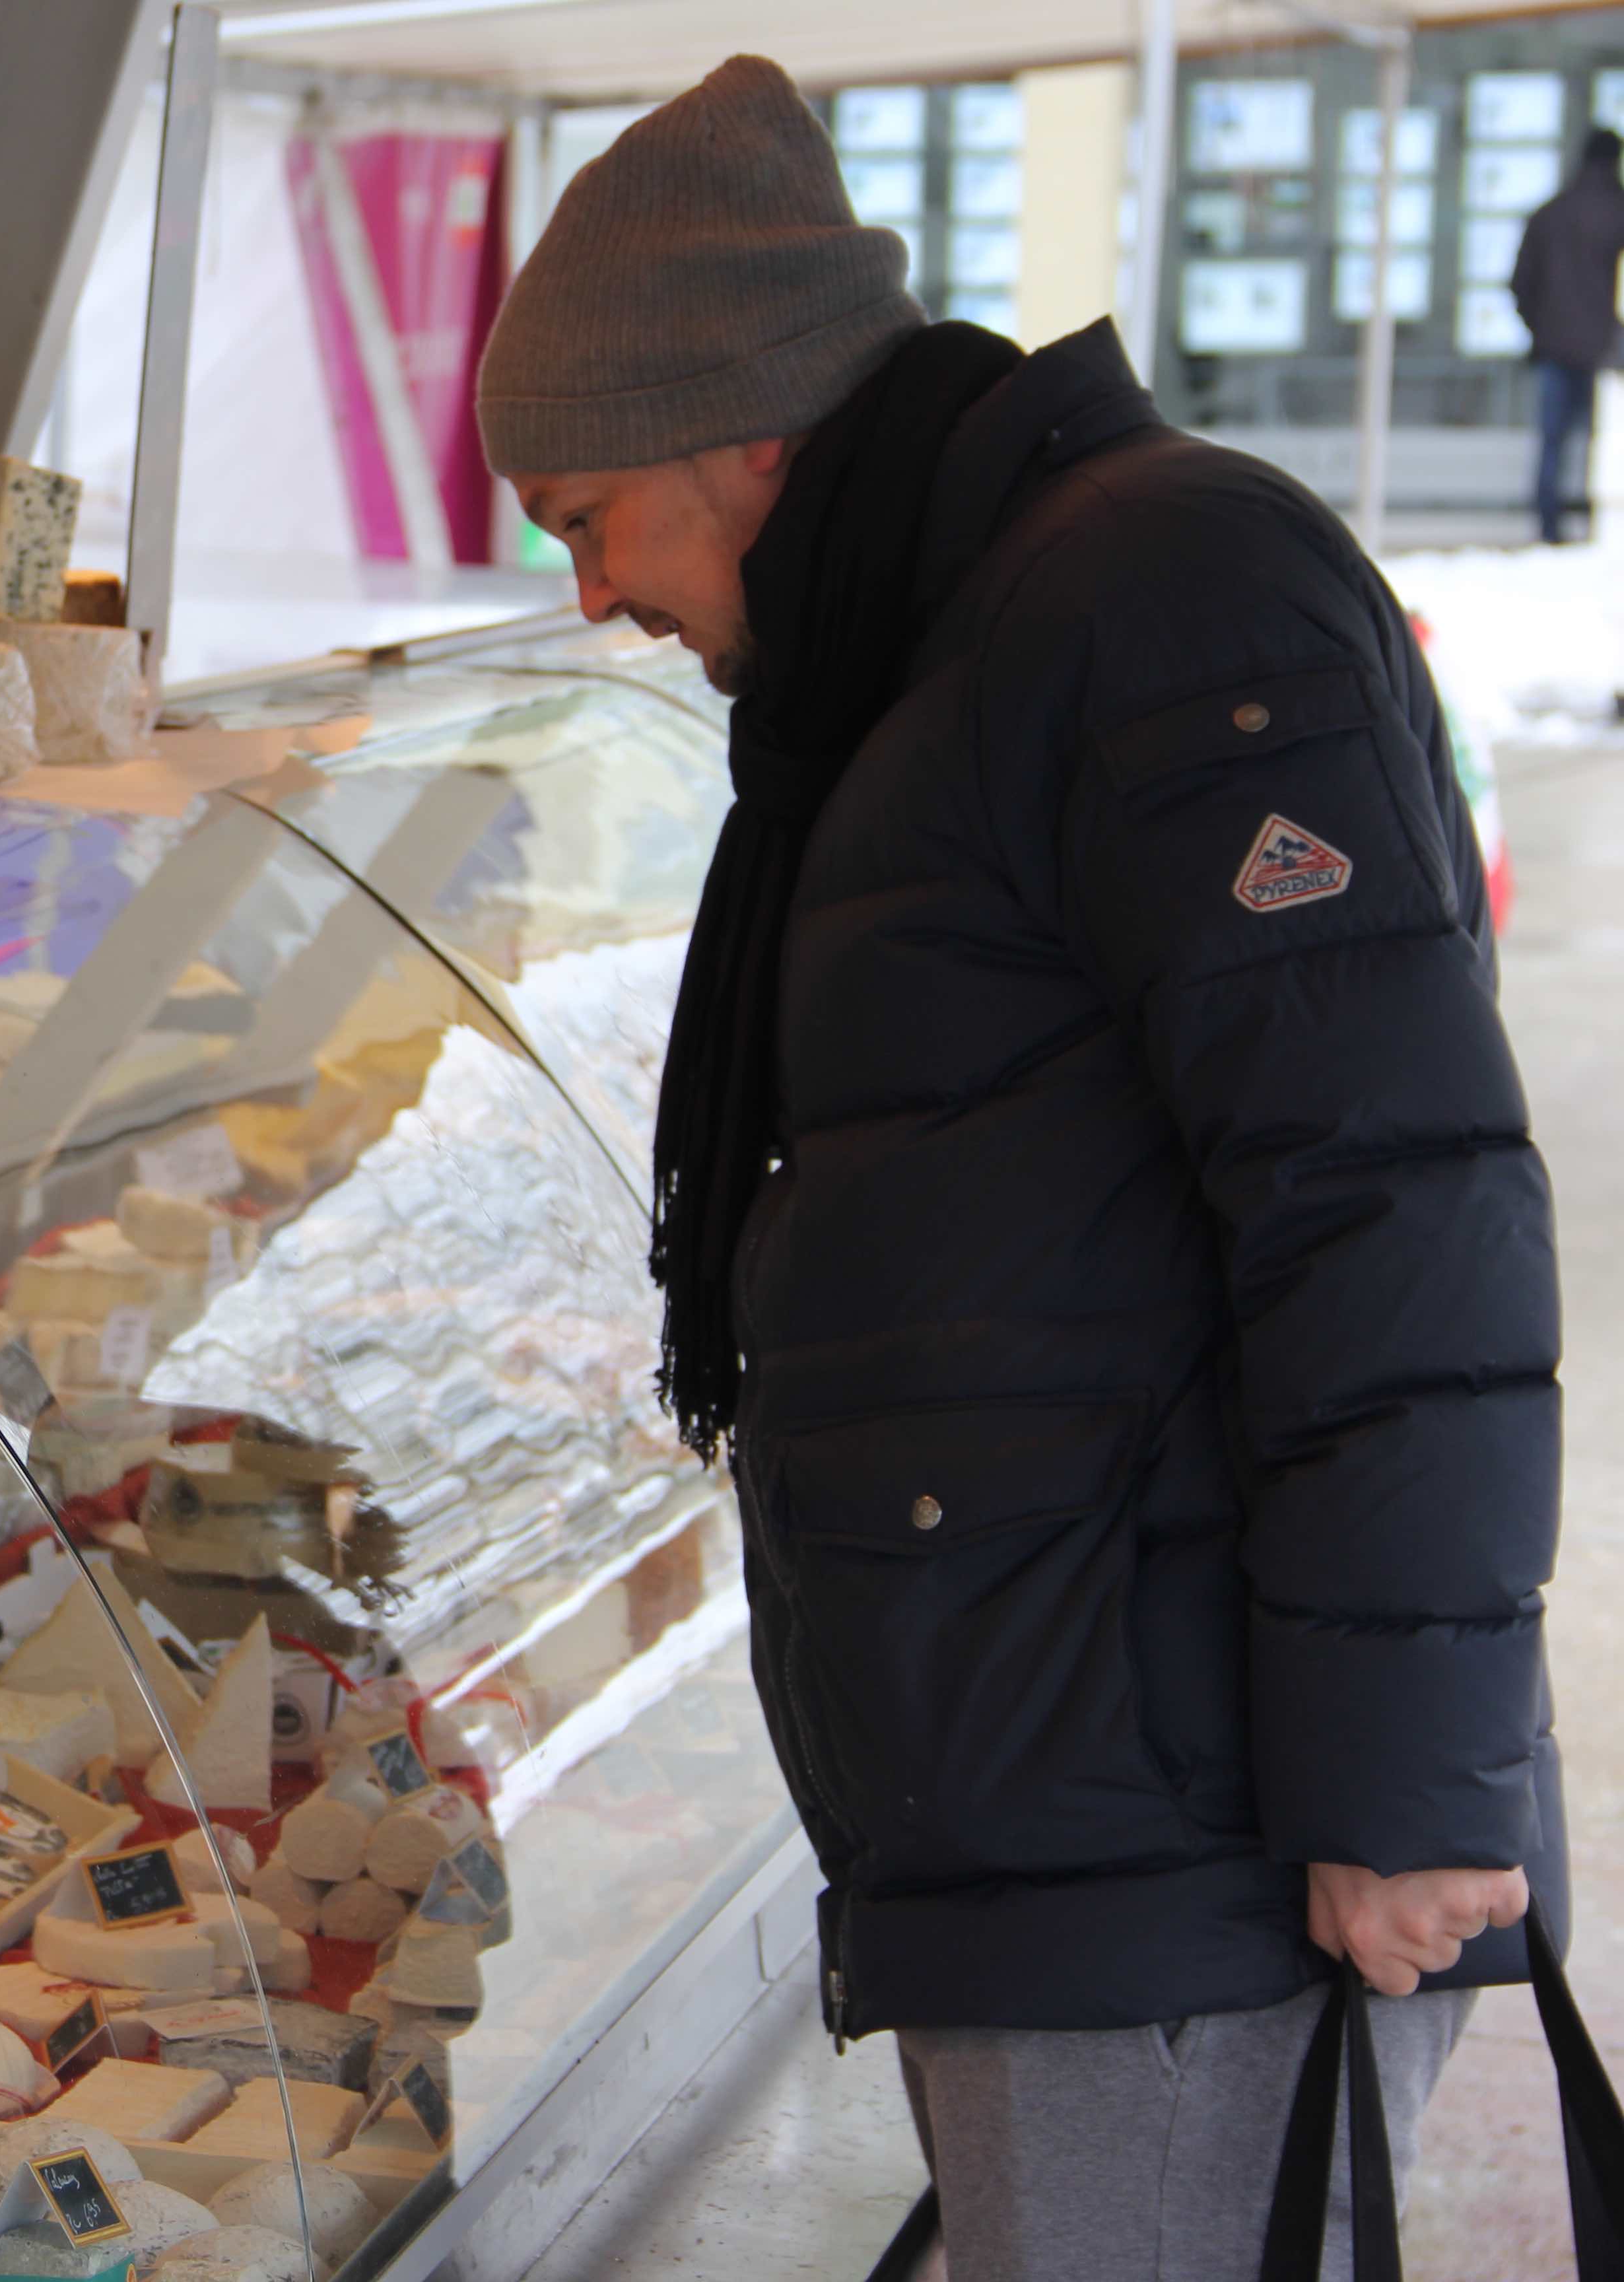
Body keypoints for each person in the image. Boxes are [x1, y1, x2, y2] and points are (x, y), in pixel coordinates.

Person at [475, 57, 1563, 2277]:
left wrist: (1406, 1782)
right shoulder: (937, 651)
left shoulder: (1155, 598)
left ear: (744, 430)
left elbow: (1394, 1206)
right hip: (1069, 1790)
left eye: (587, 514)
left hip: (1196, 1830)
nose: (590, 590)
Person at [1510, 125, 1624, 543]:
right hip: (1605, 351)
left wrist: (1540, 330)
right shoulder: (1618, 211)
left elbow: (1520, 283)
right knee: (1605, 444)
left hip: (1554, 347)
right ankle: (1598, 523)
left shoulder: (1551, 213)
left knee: (1553, 442)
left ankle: (1549, 524)